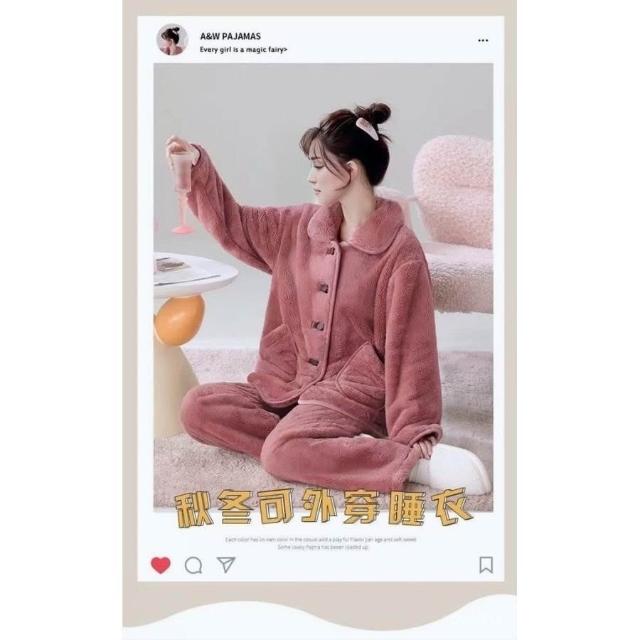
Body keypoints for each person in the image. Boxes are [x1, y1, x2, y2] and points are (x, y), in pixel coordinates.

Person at [166, 102, 491, 495]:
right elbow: (235, 225)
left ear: (350, 170)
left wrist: (415, 431)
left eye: (319, 166)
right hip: (289, 383)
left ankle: (401, 462)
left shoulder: (399, 253)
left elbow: (412, 346)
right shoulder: (298, 226)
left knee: (279, 455)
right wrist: (198, 166)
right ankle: (322, 445)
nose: (310, 176)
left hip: (351, 394)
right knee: (198, 408)